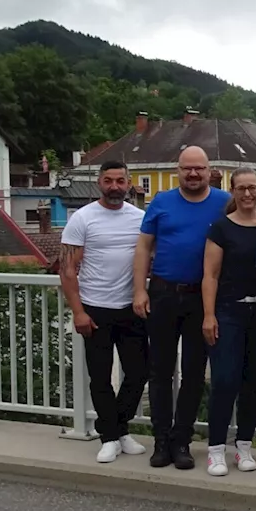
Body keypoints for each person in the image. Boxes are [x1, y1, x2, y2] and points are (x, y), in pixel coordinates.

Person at [132, 146, 231, 470]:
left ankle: (182, 440)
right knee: (159, 371)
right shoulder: (160, 201)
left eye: (198, 169)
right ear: (178, 170)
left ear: (208, 170)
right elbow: (144, 247)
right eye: (187, 169)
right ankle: (161, 441)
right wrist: (139, 290)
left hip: (200, 299)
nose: (193, 174)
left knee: (193, 373)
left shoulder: (223, 203)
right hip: (162, 293)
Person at [60, 161, 149, 464]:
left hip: (132, 307)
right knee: (100, 376)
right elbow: (68, 270)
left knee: (138, 372)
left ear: (129, 183)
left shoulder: (141, 218)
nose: (114, 186)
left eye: (120, 181)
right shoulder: (83, 218)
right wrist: (78, 312)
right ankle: (110, 437)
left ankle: (117, 428)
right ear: (99, 182)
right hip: (95, 308)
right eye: (108, 181)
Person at [201, 167, 256, 476]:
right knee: (225, 381)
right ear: (232, 191)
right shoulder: (221, 228)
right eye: (241, 188)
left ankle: (244, 446)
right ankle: (215, 449)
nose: (247, 194)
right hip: (229, 312)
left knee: (253, 383)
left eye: (252, 188)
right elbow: (210, 275)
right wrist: (209, 314)